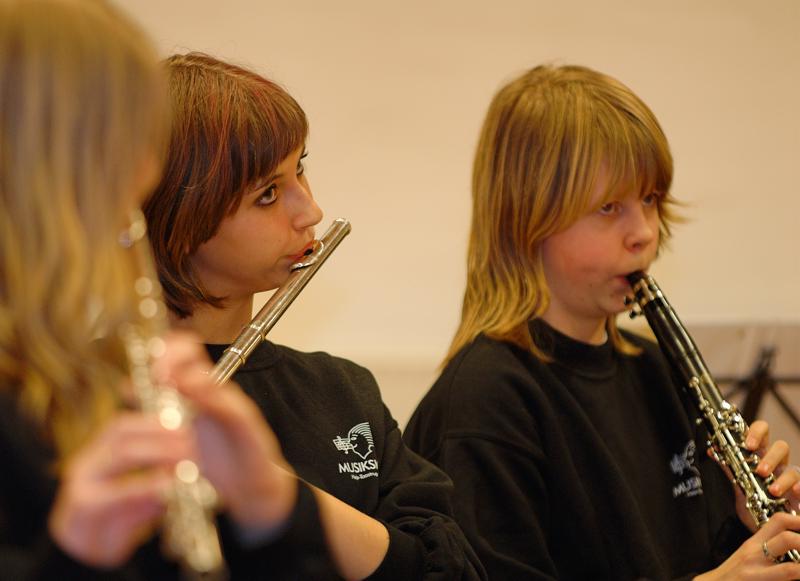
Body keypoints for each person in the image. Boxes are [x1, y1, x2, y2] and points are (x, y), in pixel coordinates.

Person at [403, 64, 800, 580]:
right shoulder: (483, 406)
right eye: (609, 207)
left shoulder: (658, 369)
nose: (644, 233)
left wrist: (750, 531)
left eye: (650, 200)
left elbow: (690, 561)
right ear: (527, 220)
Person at [0, 2, 328, 579]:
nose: (146, 176)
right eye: (121, 140)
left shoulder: (68, 373)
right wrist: (73, 556)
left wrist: (269, 514)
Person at [142, 51, 485, 580]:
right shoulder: (99, 400)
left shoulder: (341, 392)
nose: (311, 211)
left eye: (299, 168)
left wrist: (276, 492)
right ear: (182, 221)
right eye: (268, 194)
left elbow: (448, 568)